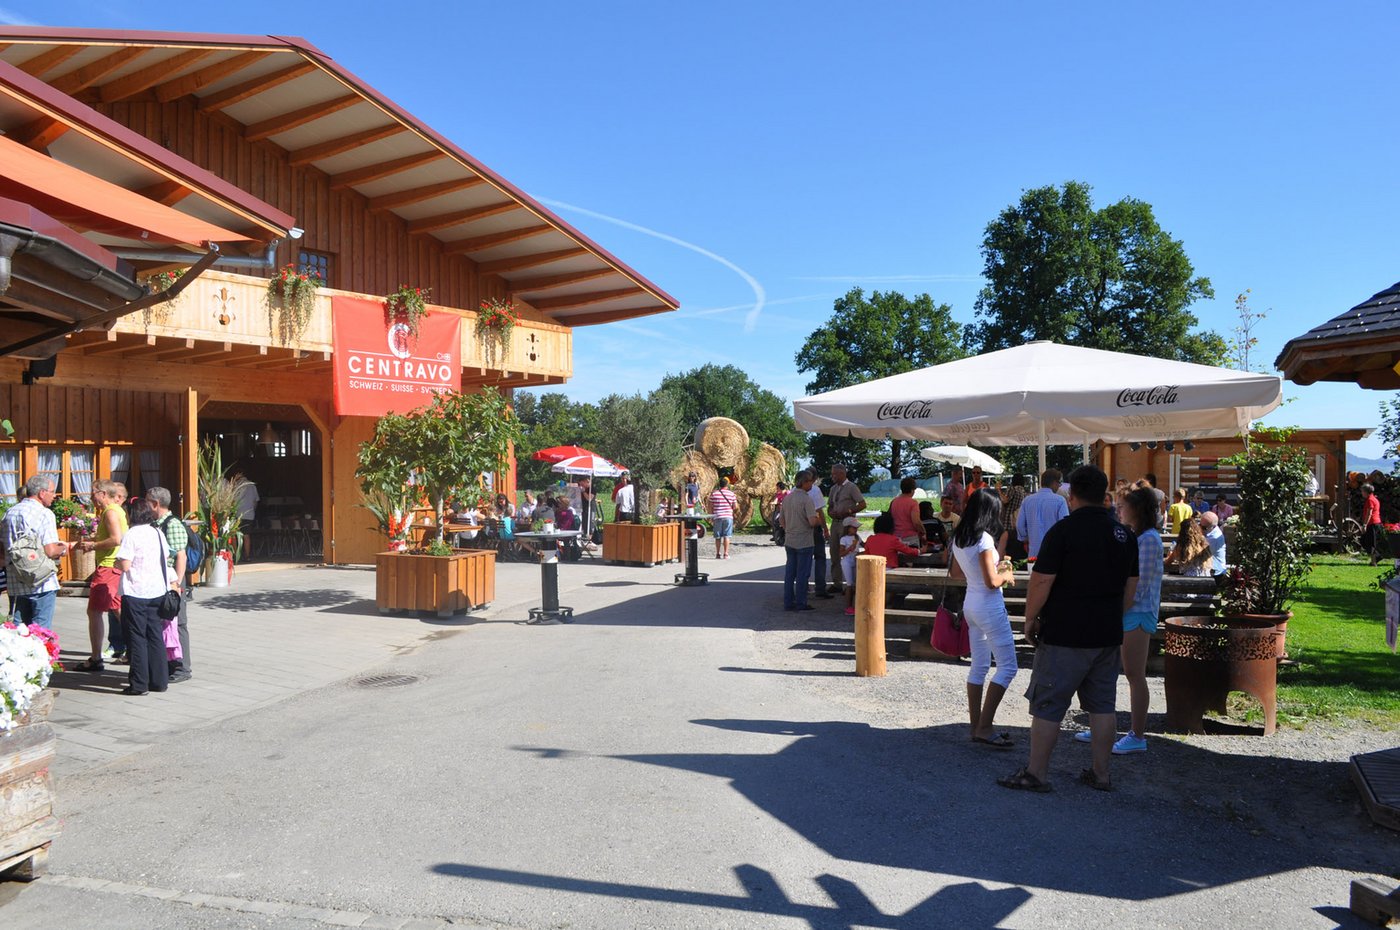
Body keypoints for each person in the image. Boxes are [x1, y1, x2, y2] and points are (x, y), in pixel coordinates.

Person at [999, 465, 1138, 794]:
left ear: (1070, 494)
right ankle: (1101, 775)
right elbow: (1131, 590)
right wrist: (1109, 614)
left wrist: (1030, 619)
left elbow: (1041, 581)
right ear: (1105, 495)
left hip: (1065, 631)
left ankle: (1036, 773)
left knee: (1049, 704)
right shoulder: (1124, 535)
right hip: (1106, 632)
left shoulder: (1063, 532)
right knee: (1103, 705)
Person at [1077, 487, 1160, 755]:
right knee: (1109, 672)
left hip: (1135, 613)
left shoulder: (1148, 540)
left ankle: (1137, 735)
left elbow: (1139, 586)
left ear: (1137, 509)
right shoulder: (1138, 537)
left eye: (1123, 506)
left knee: (1135, 675)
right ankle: (1105, 726)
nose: (1119, 510)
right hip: (1125, 612)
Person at [948, 488, 1019, 748]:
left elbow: (957, 574)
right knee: (1008, 667)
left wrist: (997, 570)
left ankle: (976, 725)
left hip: (971, 605)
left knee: (978, 666)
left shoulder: (960, 538)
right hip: (989, 606)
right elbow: (992, 582)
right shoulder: (985, 539)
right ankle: (986, 727)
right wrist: (1007, 573)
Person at [114, 499, 179, 696]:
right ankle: (159, 681)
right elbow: (166, 557)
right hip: (156, 590)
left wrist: (116, 564)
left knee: (136, 638)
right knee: (155, 636)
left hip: (136, 592)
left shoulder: (132, 534)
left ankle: (139, 684)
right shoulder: (156, 532)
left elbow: (125, 565)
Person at [0, 475, 69, 629]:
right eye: (52, 492)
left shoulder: (9, 513)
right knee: (41, 632)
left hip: (16, 580)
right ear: (42, 493)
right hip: (41, 581)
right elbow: (51, 551)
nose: (55, 496)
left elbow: (2, 551)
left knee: (18, 632)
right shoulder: (45, 514)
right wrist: (65, 548)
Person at [75, 479, 128, 672]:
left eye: (93, 493)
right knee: (119, 610)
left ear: (103, 494)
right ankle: (135, 649)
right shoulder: (116, 510)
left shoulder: (111, 512)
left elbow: (116, 539)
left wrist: (93, 545)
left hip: (108, 567)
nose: (91, 498)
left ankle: (96, 658)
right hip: (115, 566)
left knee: (95, 611)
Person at [146, 487, 192, 684]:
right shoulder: (156, 523)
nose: (145, 504)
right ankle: (168, 662)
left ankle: (182, 667)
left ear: (156, 504)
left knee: (178, 624)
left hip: (173, 583)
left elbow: (181, 555)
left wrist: (177, 585)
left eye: (147, 501)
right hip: (162, 581)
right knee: (165, 623)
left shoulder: (172, 524)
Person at [780, 471, 822, 612]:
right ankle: (801, 603)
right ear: (804, 482)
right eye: (810, 481)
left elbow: (782, 520)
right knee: (803, 574)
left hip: (790, 539)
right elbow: (811, 521)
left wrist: (789, 529)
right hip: (804, 541)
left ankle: (788, 602)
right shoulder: (807, 499)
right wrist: (818, 520)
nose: (812, 483)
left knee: (790, 573)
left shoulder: (787, 499)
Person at [826, 464, 867, 592]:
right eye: (832, 474)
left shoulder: (851, 487)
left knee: (849, 552)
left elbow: (862, 504)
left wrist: (849, 510)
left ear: (842, 474)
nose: (832, 476)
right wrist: (830, 512)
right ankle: (837, 583)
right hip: (835, 523)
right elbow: (830, 506)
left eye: (834, 474)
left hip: (847, 523)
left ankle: (851, 584)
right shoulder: (833, 488)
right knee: (834, 552)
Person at [1016, 469, 1069, 559]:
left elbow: (1019, 525)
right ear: (1054, 482)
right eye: (1059, 483)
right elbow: (1065, 526)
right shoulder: (1060, 500)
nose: (1059, 486)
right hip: (1054, 551)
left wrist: (1025, 538)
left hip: (1033, 551)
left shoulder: (1027, 500)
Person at [806, 474, 831, 598]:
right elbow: (820, 511)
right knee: (820, 557)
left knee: (805, 558)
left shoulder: (794, 491)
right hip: (814, 528)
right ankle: (820, 588)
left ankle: (803, 586)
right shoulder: (815, 490)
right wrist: (825, 529)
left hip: (801, 529)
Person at [889, 477, 926, 548]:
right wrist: (923, 532)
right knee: (912, 558)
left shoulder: (894, 502)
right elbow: (916, 522)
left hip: (896, 536)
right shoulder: (913, 503)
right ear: (912, 490)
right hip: (910, 537)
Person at [707, 477, 739, 559]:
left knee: (717, 536)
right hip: (728, 516)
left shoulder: (714, 494)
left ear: (719, 484)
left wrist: (711, 516)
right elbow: (735, 507)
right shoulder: (731, 494)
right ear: (727, 484)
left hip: (717, 517)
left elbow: (710, 506)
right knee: (726, 536)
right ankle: (726, 554)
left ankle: (718, 554)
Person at [1000, 475, 1029, 559]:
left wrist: (999, 491)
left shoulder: (1013, 489)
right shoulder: (1024, 492)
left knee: (1007, 549)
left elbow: (1005, 500)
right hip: (1019, 524)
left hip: (1008, 522)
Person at [837, 517, 861, 616]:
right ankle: (848, 606)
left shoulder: (857, 537)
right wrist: (851, 548)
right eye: (854, 527)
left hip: (856, 560)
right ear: (847, 528)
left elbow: (864, 544)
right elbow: (841, 554)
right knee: (849, 584)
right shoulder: (843, 539)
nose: (856, 529)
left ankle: (855, 605)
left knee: (857, 583)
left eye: (856, 527)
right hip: (847, 561)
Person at [1200, 510, 1228, 575]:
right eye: (1200, 524)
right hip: (1209, 569)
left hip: (1216, 572)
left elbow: (1201, 553)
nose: (1200, 528)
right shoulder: (1210, 530)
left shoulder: (1214, 537)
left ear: (1213, 526)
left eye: (1204, 527)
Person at [1362, 482, 1382, 565]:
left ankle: (1375, 560)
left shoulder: (1370, 500)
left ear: (1366, 492)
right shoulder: (1374, 499)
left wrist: (1365, 524)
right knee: (1367, 541)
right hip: (1376, 522)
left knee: (1370, 543)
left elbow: (1369, 513)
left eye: (1362, 491)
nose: (1362, 493)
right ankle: (1375, 559)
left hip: (1372, 523)